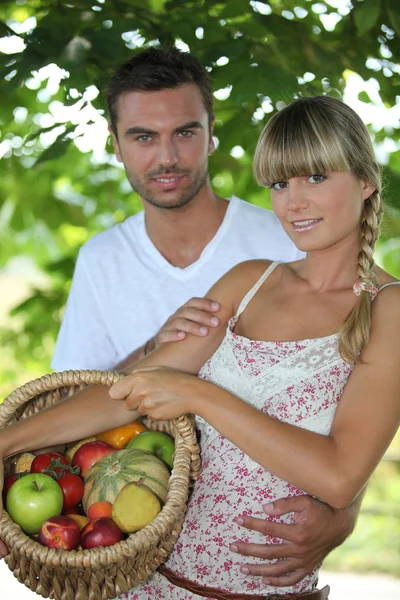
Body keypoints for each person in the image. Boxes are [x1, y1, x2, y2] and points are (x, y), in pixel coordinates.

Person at [1, 95, 399, 599]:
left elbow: (340, 475)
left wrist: (199, 394)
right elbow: (125, 391)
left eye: (316, 178)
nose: (293, 202)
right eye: (280, 183)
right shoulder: (248, 282)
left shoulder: (390, 309)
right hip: (150, 581)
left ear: (365, 181)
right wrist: (7, 441)